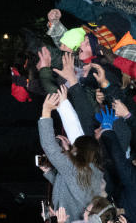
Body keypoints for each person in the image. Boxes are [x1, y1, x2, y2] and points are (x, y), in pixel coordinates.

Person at [38, 89, 105, 221]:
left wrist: (46, 112)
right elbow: (71, 187)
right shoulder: (94, 171)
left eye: (74, 147)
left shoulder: (74, 168)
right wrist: (49, 172)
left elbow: (49, 146)